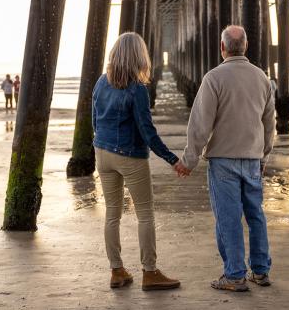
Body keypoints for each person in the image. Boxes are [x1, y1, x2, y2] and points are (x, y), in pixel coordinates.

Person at [175, 25, 276, 292]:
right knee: (255, 215)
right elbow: (269, 124)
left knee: (228, 218)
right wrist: (264, 155)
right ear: (246, 45)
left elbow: (200, 125)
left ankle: (234, 275)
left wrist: (189, 160)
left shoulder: (214, 78)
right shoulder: (262, 78)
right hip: (253, 159)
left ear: (222, 48)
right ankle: (261, 271)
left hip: (223, 160)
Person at [92, 32, 181, 291]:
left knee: (112, 214)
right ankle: (150, 272)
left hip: (102, 152)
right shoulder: (138, 89)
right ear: (139, 56)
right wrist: (172, 159)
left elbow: (95, 120)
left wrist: (99, 144)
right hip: (129, 155)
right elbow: (147, 131)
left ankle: (116, 270)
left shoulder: (101, 82)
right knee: (145, 215)